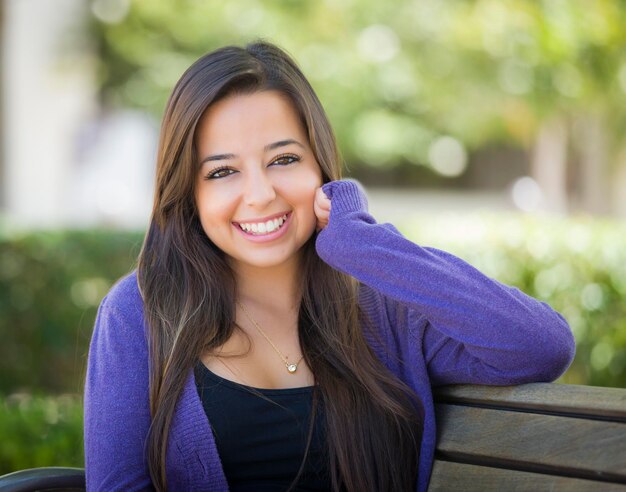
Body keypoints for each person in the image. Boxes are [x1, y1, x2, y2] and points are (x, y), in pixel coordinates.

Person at [83, 41, 575, 492]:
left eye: (283, 160)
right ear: (189, 191)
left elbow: (540, 346)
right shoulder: (139, 314)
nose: (260, 194)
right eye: (223, 171)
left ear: (320, 165)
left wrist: (363, 242)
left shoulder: (385, 310)